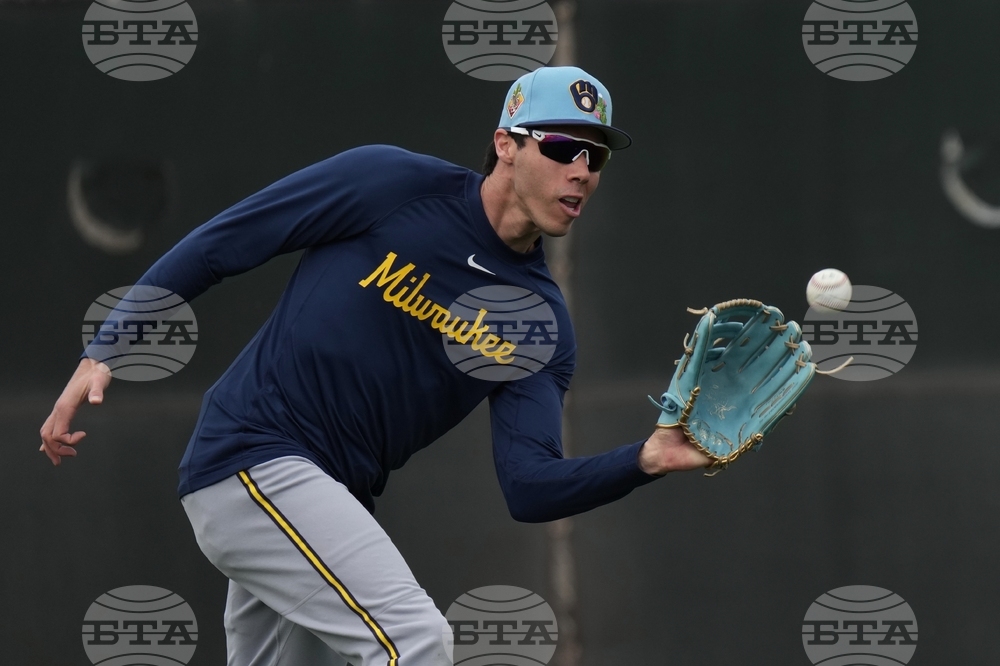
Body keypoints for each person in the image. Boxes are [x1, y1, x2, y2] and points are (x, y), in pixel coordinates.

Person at [39, 66, 709, 666]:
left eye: (596, 156)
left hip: (321, 506)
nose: (583, 170)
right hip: (251, 454)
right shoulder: (389, 184)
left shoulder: (539, 320)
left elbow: (529, 485)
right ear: (507, 142)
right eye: (563, 146)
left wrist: (643, 460)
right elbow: (227, 242)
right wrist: (110, 345)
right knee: (416, 639)